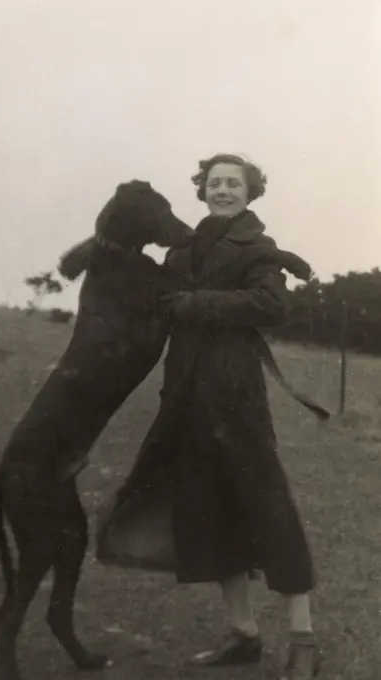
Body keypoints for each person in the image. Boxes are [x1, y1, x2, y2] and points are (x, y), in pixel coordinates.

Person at [96, 153, 323, 680]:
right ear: (202, 190)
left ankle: (304, 642)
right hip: (185, 402)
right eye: (214, 183)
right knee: (208, 515)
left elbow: (270, 305)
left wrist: (196, 303)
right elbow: (152, 287)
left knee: (272, 514)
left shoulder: (260, 249)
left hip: (237, 402)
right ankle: (243, 636)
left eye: (233, 184)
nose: (222, 191)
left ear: (249, 192)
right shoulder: (186, 249)